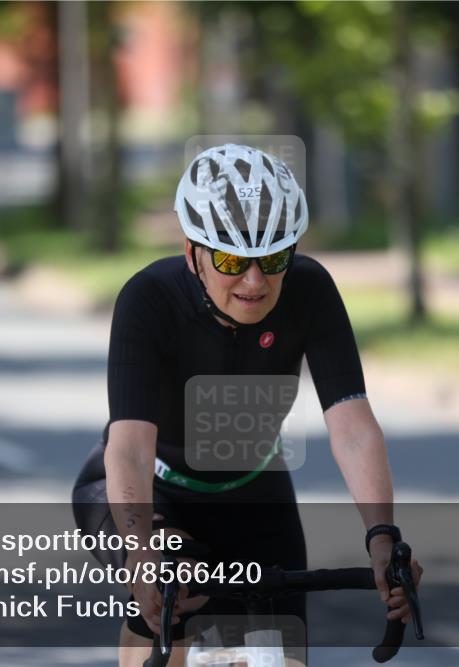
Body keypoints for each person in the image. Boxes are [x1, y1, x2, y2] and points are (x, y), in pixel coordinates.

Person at [72, 144, 422, 666]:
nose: (255, 281)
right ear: (193, 254)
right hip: (154, 491)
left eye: (275, 258)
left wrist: (382, 533)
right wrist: (141, 555)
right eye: (233, 260)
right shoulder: (148, 299)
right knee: (171, 601)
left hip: (253, 487)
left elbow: (351, 425)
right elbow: (130, 448)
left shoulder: (310, 290)